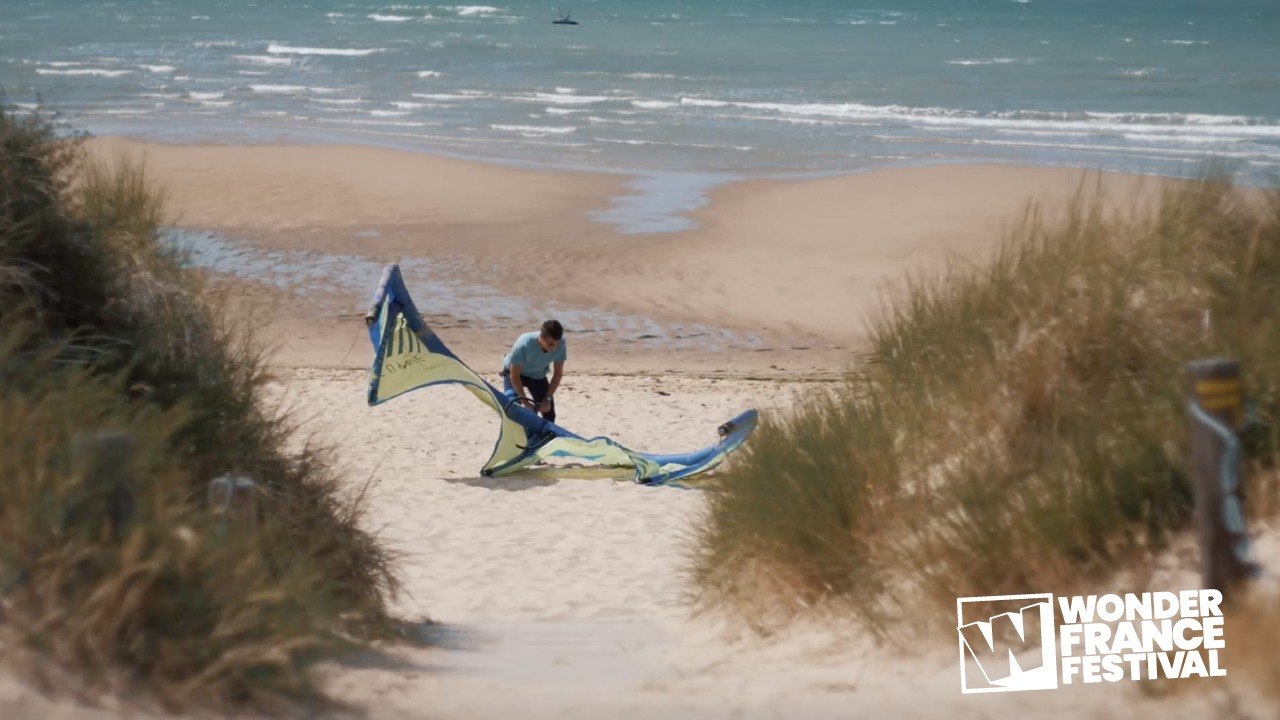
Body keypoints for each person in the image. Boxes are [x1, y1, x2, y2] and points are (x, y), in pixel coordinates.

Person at [501, 319, 566, 423]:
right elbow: (514, 375)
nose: (554, 348)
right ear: (541, 337)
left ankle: (543, 438)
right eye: (550, 344)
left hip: (537, 376)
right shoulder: (524, 343)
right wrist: (525, 401)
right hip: (514, 373)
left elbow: (558, 374)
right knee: (513, 405)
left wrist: (548, 399)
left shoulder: (561, 344)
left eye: (556, 344)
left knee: (549, 413)